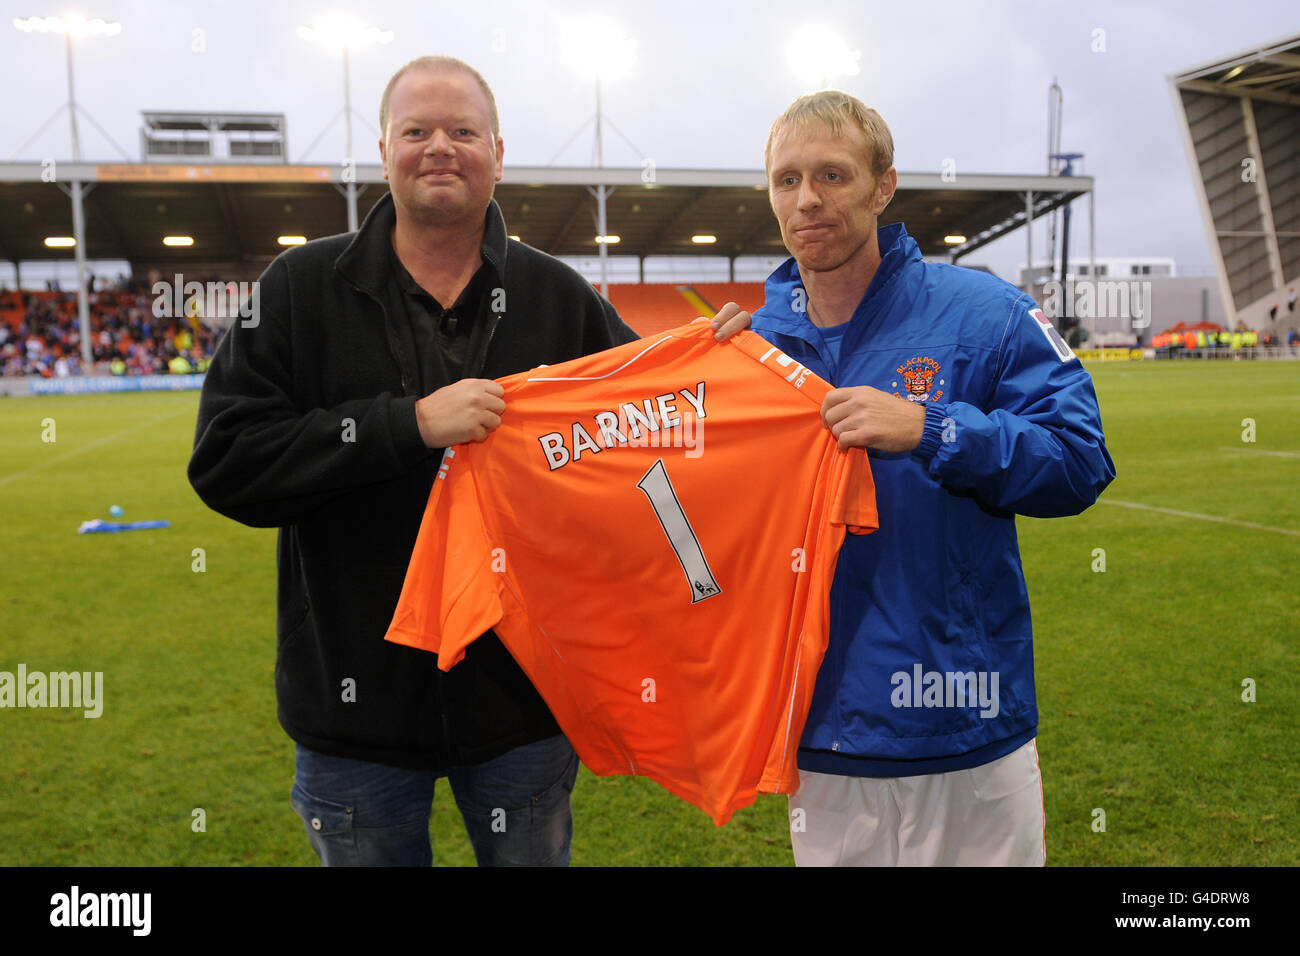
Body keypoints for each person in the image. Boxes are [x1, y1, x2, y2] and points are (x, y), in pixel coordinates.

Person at [188, 55, 749, 867]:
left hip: (521, 708)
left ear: (497, 149)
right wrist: (402, 426)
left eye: (462, 130)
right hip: (354, 715)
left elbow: (655, 422)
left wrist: (717, 369)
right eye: (416, 130)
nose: (439, 147)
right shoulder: (298, 288)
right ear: (383, 149)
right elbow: (227, 461)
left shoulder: (560, 297)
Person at [750, 90, 1115, 866]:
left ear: (883, 186)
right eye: (787, 180)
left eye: (832, 175)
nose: (808, 199)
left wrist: (935, 428)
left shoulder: (987, 313)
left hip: (963, 727)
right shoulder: (752, 349)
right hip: (820, 737)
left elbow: (1080, 461)